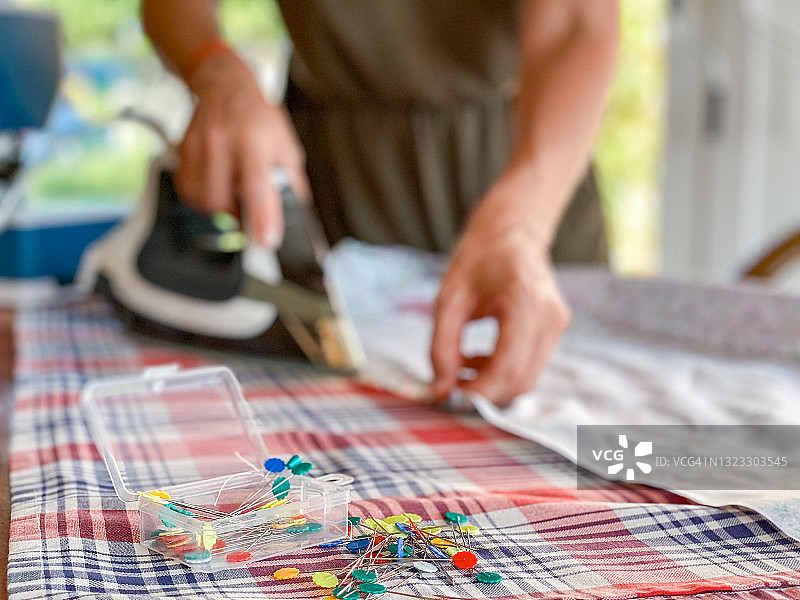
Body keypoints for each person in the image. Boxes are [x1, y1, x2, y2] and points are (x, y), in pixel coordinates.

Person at [141, 0, 619, 407]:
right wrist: (217, 69)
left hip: (526, 161)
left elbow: (577, 23)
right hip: (335, 170)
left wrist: (521, 225)